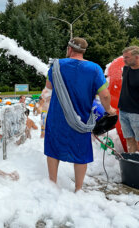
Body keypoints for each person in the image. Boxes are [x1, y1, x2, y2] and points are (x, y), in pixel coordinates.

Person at [44, 37, 116, 192]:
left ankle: (52, 185)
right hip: (81, 118)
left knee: (53, 149)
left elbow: (48, 86)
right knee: (81, 151)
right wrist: (109, 109)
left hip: (57, 117)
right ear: (84, 51)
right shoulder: (94, 68)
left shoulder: (56, 65)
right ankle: (78, 189)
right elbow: (104, 95)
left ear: (69, 49)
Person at [118, 46, 139, 152]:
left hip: (136, 112)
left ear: (137, 57)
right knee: (129, 138)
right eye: (124, 57)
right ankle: (132, 161)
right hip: (123, 110)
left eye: (127, 57)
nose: (124, 60)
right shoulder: (126, 68)